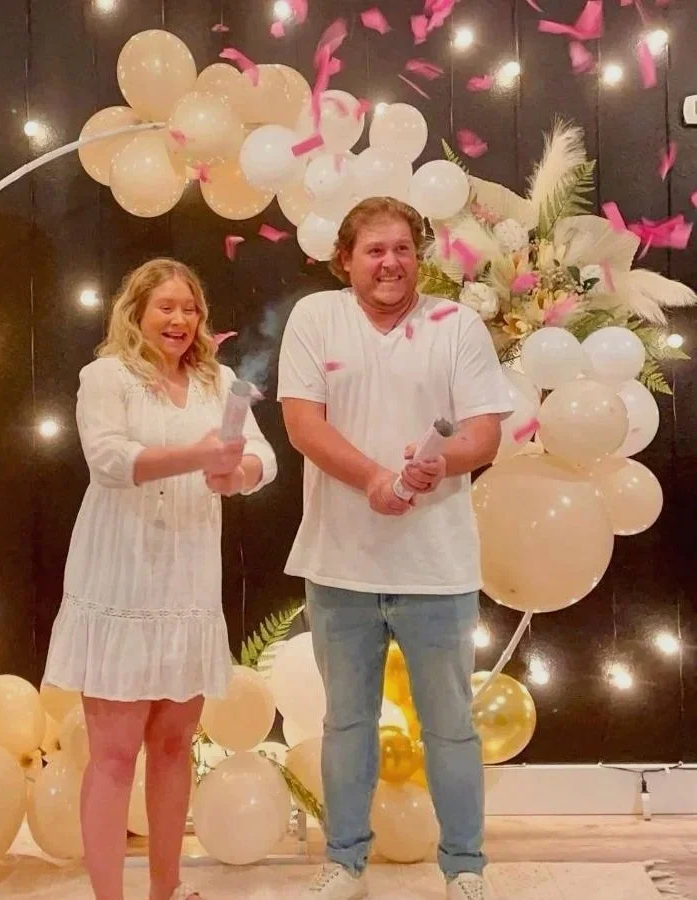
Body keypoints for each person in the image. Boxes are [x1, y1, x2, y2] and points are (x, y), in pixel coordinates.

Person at [277, 198, 513, 900]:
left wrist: (444, 464)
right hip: (339, 564)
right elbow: (301, 425)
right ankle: (345, 862)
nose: (390, 262)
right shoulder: (315, 319)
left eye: (403, 249)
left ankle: (465, 867)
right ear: (344, 259)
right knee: (346, 723)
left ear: (420, 256)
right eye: (374, 250)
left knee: (450, 725)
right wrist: (375, 479)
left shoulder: (457, 324)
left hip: (437, 567)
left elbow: (484, 434)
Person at [43, 258, 277, 900]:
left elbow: (264, 454)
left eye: (190, 307)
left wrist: (242, 473)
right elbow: (110, 459)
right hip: (120, 581)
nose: (179, 319)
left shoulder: (217, 380)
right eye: (165, 307)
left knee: (174, 748)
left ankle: (166, 891)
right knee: (115, 755)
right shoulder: (106, 377)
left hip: (187, 586)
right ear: (136, 313)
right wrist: (199, 456)